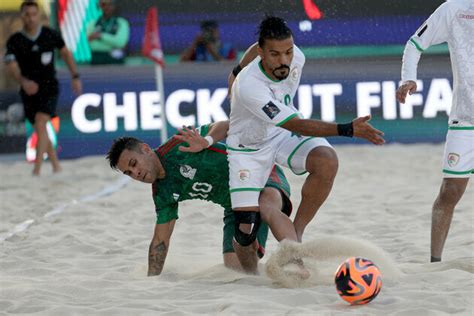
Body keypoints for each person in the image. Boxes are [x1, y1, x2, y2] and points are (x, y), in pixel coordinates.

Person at [226, 16, 385, 269]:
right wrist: (347, 129)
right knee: (246, 229)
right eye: (275, 54)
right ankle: (250, 277)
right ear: (261, 53)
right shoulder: (249, 86)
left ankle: (295, 236)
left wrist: (234, 71)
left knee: (326, 160)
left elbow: (257, 52)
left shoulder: (297, 56)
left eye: (287, 52)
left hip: (280, 134)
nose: (284, 60)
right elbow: (296, 125)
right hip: (249, 147)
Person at [106, 121, 297, 276]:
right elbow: (160, 239)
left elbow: (226, 125)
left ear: (145, 149)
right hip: (235, 206)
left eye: (134, 164)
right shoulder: (162, 192)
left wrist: (206, 141)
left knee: (265, 207)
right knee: (236, 269)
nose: (136, 173)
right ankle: (265, 279)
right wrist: (151, 280)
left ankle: (298, 261)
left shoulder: (181, 144)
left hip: (260, 175)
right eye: (129, 173)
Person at [396, 0, 473, 263]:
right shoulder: (454, 9)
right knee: (450, 191)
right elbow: (415, 44)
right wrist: (409, 78)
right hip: (466, 118)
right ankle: (435, 262)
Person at [4, 0, 82, 176]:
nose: (30, 18)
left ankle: (37, 169)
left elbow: (66, 53)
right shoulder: (16, 40)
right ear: (22, 16)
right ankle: (55, 165)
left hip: (48, 87)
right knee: (40, 126)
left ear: (38, 15)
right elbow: (11, 65)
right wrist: (24, 82)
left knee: (41, 121)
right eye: (27, 14)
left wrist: (75, 76)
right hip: (28, 88)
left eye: (33, 14)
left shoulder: (49, 34)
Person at [86, 0, 130, 65]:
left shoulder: (122, 23)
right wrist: (112, 41)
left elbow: (121, 42)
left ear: (114, 6)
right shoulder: (92, 24)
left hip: (115, 59)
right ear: (99, 6)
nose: (107, 7)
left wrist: (100, 36)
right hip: (96, 58)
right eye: (104, 5)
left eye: (110, 4)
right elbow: (91, 44)